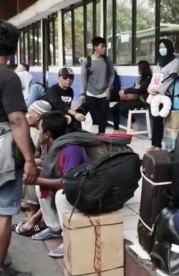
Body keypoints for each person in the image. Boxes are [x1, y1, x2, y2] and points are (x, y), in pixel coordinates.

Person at [0, 20, 38, 276]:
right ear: (12, 51)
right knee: (3, 211)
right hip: (2, 147)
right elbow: (16, 119)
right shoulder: (8, 77)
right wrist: (29, 158)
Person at [26, 111, 88, 258]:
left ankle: (69, 239)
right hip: (73, 187)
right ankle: (54, 227)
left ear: (47, 134)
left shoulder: (71, 149)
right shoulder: (55, 145)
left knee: (61, 195)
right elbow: (51, 168)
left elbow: (67, 183)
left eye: (40, 129)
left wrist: (34, 179)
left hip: (86, 191)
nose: (38, 132)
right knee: (41, 185)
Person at [12, 100, 52, 236]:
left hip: (54, 172)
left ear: (38, 117)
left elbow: (47, 161)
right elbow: (36, 153)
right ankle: (32, 212)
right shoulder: (37, 130)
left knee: (30, 171)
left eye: (29, 113)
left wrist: (28, 161)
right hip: (49, 168)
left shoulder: (45, 133)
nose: (26, 116)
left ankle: (36, 217)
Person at [146, 39, 179, 152]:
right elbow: (154, 77)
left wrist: (157, 90)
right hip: (154, 94)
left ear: (169, 47)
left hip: (165, 95)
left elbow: (169, 79)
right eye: (160, 47)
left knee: (158, 120)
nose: (162, 49)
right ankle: (153, 144)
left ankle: (158, 145)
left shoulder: (175, 61)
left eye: (164, 47)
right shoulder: (159, 62)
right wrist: (150, 89)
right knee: (154, 118)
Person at [80, 36, 115, 134]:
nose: (104, 48)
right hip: (91, 94)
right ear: (95, 47)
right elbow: (83, 78)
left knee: (103, 120)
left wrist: (109, 88)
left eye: (105, 46)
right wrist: (82, 94)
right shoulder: (87, 61)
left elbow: (112, 74)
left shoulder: (107, 60)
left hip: (104, 93)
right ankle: (90, 136)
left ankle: (102, 137)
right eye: (102, 46)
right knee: (95, 118)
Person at [110, 60, 152, 132]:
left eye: (139, 68)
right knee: (114, 108)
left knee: (123, 108)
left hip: (142, 101)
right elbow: (133, 88)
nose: (138, 70)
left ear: (143, 69)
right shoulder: (139, 78)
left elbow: (140, 90)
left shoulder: (148, 79)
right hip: (134, 99)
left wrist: (126, 91)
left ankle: (134, 122)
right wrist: (124, 91)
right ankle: (116, 129)